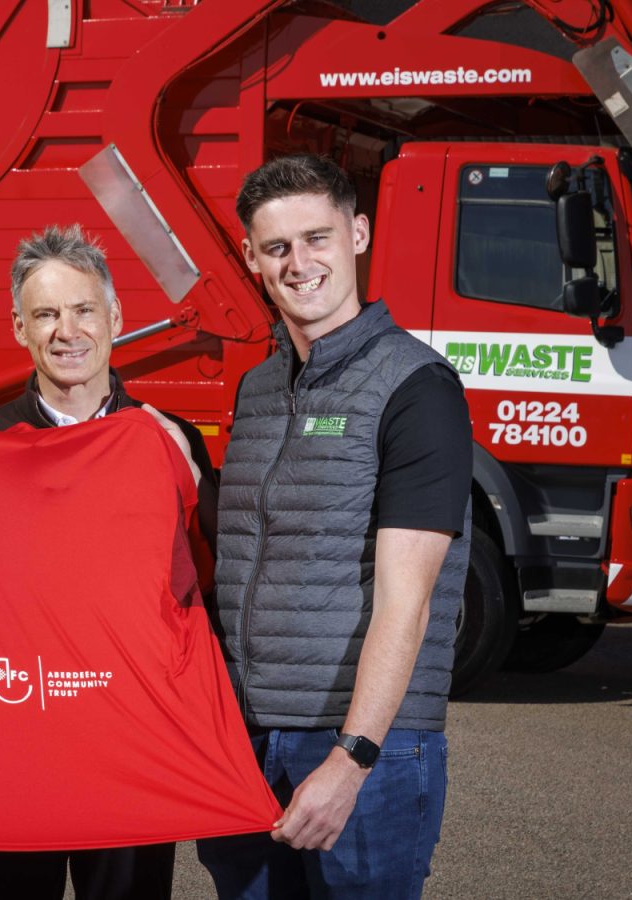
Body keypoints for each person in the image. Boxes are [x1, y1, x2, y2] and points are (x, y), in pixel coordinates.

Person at [197, 154, 471, 899]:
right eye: (278, 247)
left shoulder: (417, 387)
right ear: (251, 258)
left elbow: (406, 604)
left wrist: (351, 759)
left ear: (358, 233)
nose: (299, 263)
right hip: (249, 743)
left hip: (363, 749)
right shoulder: (258, 390)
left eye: (317, 238)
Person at [0, 224, 217, 900]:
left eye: (83, 310)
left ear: (116, 319)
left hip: (129, 745)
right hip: (14, 749)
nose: (66, 331)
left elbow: (201, 588)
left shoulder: (170, 440)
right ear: (20, 327)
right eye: (45, 314)